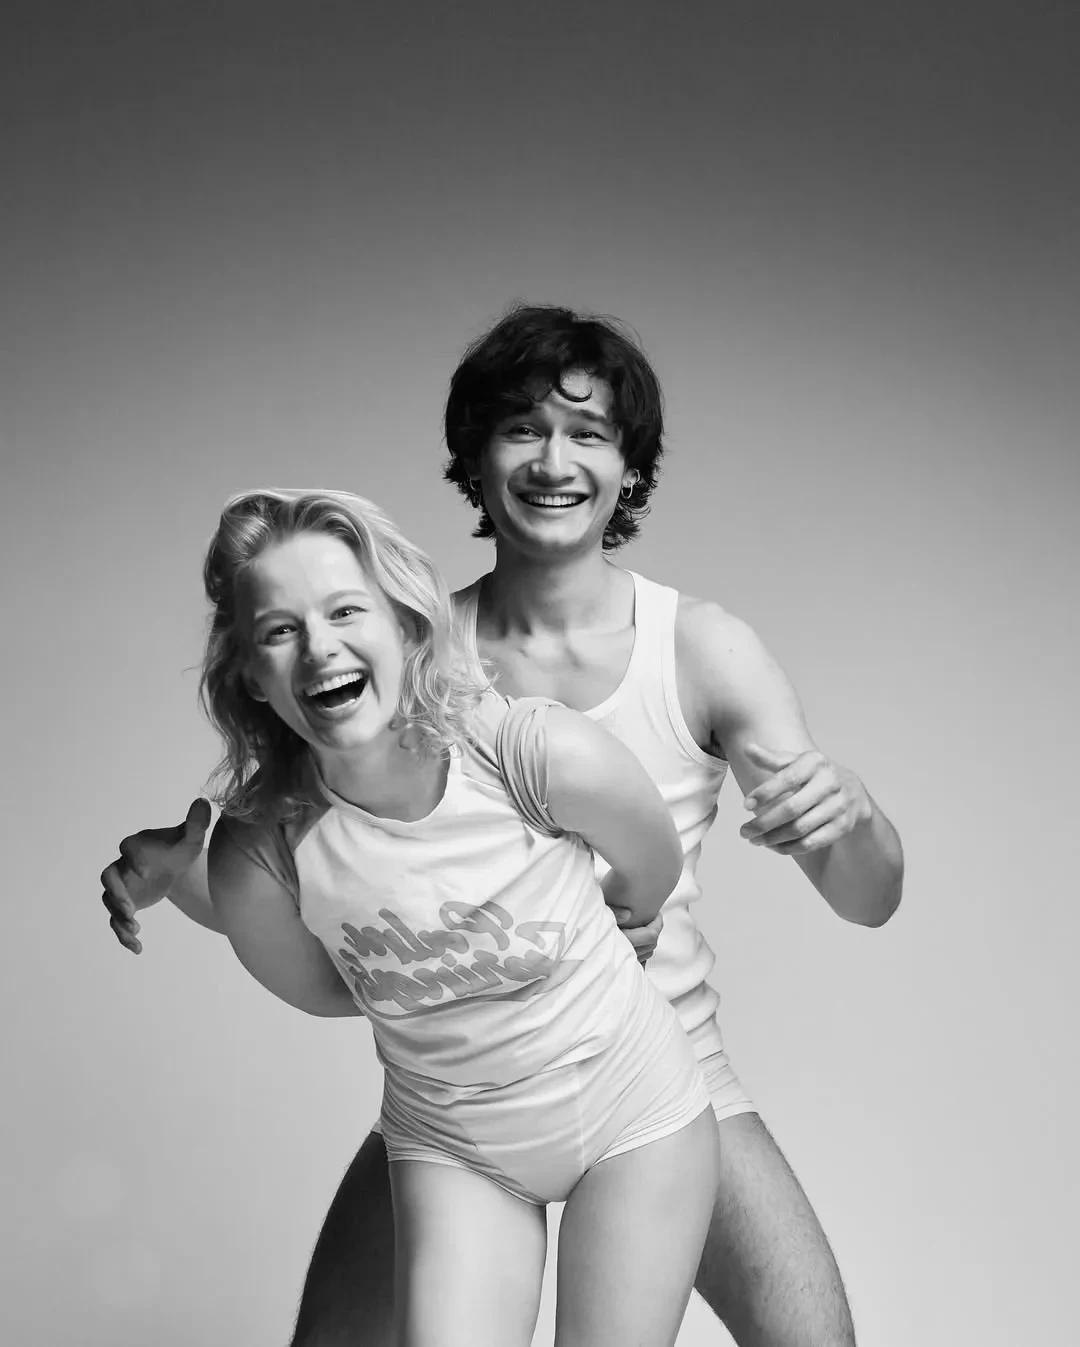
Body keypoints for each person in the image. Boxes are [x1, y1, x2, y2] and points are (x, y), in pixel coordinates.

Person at [101, 304, 904, 1347]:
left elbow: (867, 899)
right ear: (475, 460)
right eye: (522, 429)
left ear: (629, 465)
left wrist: (851, 813)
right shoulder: (399, 649)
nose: (553, 461)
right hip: (463, 1078)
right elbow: (340, 899)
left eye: (588, 433)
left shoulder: (701, 650)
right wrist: (188, 876)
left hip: (651, 1059)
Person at [193, 486, 719, 1347]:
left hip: (636, 1114)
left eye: (345, 610)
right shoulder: (259, 855)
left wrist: (619, 917)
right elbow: (331, 989)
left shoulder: (529, 751)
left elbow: (651, 860)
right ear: (250, 671)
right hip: (456, 1148)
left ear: (405, 625)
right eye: (280, 630)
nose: (319, 647)